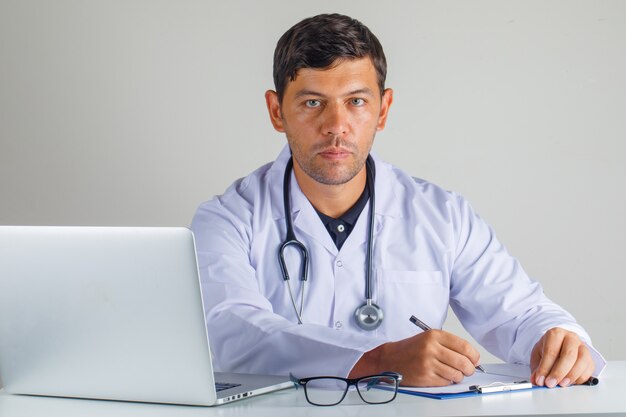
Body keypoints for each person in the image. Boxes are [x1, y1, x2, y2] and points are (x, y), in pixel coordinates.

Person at [191, 13, 604, 387]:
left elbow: (518, 312)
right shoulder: (226, 219)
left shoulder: (443, 216)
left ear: (383, 110)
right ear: (276, 110)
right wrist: (378, 358)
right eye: (312, 102)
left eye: (356, 102)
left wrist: (556, 338)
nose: (336, 126)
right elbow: (233, 330)